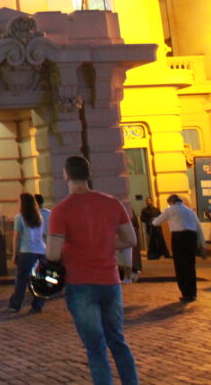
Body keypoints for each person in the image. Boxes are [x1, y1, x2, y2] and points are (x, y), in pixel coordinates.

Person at [47, 155, 138, 385]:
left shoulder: (61, 210)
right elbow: (130, 239)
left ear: (65, 175)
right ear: (89, 175)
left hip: (81, 283)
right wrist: (106, 244)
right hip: (110, 281)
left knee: (95, 347)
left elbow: (53, 254)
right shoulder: (112, 203)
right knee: (117, 340)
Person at [151, 194, 205, 302]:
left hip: (179, 238)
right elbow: (199, 228)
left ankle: (185, 292)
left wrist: (153, 220)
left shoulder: (170, 210)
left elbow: (156, 222)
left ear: (171, 202)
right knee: (190, 265)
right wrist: (202, 245)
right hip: (191, 237)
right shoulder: (190, 211)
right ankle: (192, 292)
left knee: (180, 265)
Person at [5, 193, 47, 313]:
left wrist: (14, 254)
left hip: (26, 251)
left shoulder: (20, 218)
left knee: (21, 280)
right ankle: (37, 305)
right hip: (40, 250)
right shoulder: (40, 217)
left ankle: (15, 304)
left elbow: (17, 238)